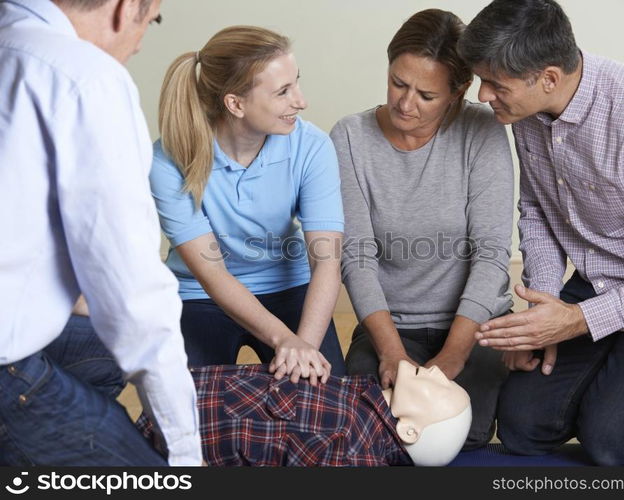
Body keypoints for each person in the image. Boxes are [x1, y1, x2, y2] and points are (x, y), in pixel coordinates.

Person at [459, 0, 624, 465]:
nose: (484, 96)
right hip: (597, 284)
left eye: (495, 84)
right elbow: (537, 209)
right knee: (522, 430)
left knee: (611, 445)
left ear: (548, 77)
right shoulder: (525, 108)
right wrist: (543, 308)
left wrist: (577, 322)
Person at [0, 0, 202, 465]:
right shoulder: (84, 78)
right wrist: (187, 456)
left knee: (102, 349)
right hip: (9, 372)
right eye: (151, 22)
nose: (139, 44)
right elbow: (137, 301)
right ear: (127, 7)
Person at [330, 8, 513, 449]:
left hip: (476, 326)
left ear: (457, 91)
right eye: (398, 83)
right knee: (374, 431)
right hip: (392, 326)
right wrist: (392, 352)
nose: (405, 104)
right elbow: (356, 257)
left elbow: (491, 254)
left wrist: (454, 355)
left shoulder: (481, 129)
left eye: (426, 95)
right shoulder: (349, 137)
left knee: (459, 436)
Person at [151, 25, 345, 382]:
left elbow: (327, 265)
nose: (301, 101)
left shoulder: (313, 147)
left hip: (289, 287)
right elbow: (213, 274)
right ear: (235, 103)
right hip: (200, 295)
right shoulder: (168, 161)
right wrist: (283, 338)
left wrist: (304, 347)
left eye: (296, 83)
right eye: (283, 92)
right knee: (186, 408)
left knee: (324, 396)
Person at [137, 360, 472, 466]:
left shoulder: (351, 449)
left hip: (169, 432)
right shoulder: (363, 398)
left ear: (410, 431)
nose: (439, 373)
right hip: (179, 391)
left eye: (442, 388)